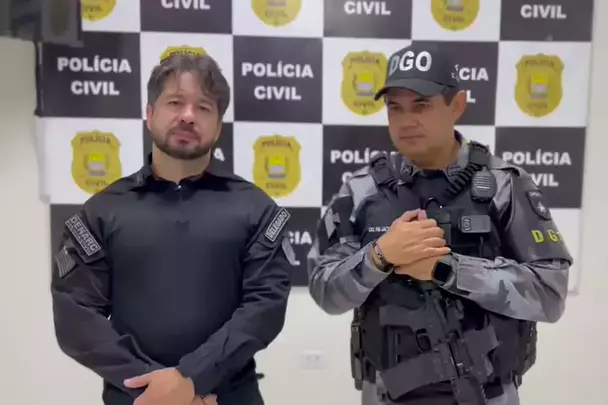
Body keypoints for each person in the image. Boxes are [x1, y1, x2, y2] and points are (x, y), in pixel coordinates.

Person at [307, 43, 573, 405]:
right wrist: (379, 257)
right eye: (395, 108)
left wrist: (446, 269)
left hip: (485, 395)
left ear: (457, 105)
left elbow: (550, 294)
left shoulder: (503, 185)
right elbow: (324, 291)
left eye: (421, 105)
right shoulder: (362, 189)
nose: (406, 121)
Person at [50, 52, 294, 405]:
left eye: (204, 107)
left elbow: (265, 309)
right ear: (150, 114)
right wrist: (156, 389)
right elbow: (75, 315)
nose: (188, 116)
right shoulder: (102, 211)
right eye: (175, 102)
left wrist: (191, 379)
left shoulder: (257, 210)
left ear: (218, 127)